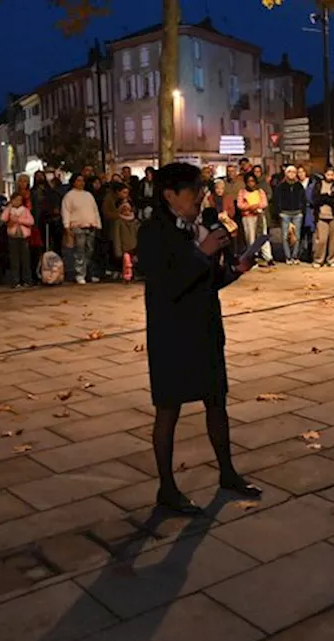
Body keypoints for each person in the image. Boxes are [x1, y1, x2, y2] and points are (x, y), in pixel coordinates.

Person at [135, 162, 260, 515]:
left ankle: (228, 472)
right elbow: (170, 284)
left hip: (205, 327)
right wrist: (202, 252)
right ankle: (167, 487)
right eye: (193, 190)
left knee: (216, 401)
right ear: (169, 194)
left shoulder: (198, 228)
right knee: (168, 411)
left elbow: (207, 280)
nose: (200, 196)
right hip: (171, 334)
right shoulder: (153, 233)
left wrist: (233, 270)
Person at [61, 174, 101, 284]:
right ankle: (80, 274)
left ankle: (88, 273)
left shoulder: (88, 195)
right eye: (79, 180)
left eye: (82, 180)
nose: (81, 183)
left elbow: (95, 210)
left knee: (90, 251)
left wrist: (98, 224)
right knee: (79, 252)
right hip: (77, 227)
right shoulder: (69, 196)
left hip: (90, 226)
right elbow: (66, 212)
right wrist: (66, 227)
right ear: (73, 182)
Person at [1, 192, 35, 288]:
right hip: (13, 237)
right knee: (14, 260)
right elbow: (3, 218)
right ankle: (16, 281)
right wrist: (9, 208)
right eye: (15, 200)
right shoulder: (10, 210)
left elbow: (31, 221)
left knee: (25, 259)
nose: (17, 202)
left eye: (19, 200)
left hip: (23, 237)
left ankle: (27, 280)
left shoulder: (24, 210)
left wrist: (19, 220)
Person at [236, 172, 271, 265]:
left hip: (259, 216)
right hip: (248, 218)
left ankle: (268, 257)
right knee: (250, 238)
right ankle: (252, 258)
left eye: (252, 181)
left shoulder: (260, 191)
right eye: (248, 181)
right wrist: (249, 207)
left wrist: (256, 206)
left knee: (262, 236)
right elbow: (239, 205)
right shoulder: (242, 192)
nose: (251, 183)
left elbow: (264, 203)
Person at [110, 184, 140, 281]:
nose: (126, 211)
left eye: (128, 209)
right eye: (124, 209)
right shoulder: (118, 222)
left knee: (134, 262)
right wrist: (118, 251)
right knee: (126, 263)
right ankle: (127, 276)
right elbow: (117, 237)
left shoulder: (135, 221)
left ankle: (133, 275)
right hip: (124, 248)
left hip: (134, 247)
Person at [276, 166, 306, 264]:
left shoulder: (299, 186)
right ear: (286, 173)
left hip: (297, 213)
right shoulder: (281, 186)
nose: (291, 174)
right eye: (289, 172)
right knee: (285, 236)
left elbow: (303, 199)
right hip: (285, 214)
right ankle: (288, 257)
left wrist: (302, 211)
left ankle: (295, 256)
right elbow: (276, 200)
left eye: (294, 172)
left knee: (296, 236)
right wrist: (279, 211)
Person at [312, 167, 334, 266]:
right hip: (321, 216)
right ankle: (318, 259)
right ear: (324, 174)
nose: (330, 176)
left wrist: (324, 197)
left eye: (332, 174)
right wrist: (327, 196)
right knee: (321, 240)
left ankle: (332, 260)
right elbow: (316, 199)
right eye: (328, 174)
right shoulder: (318, 184)